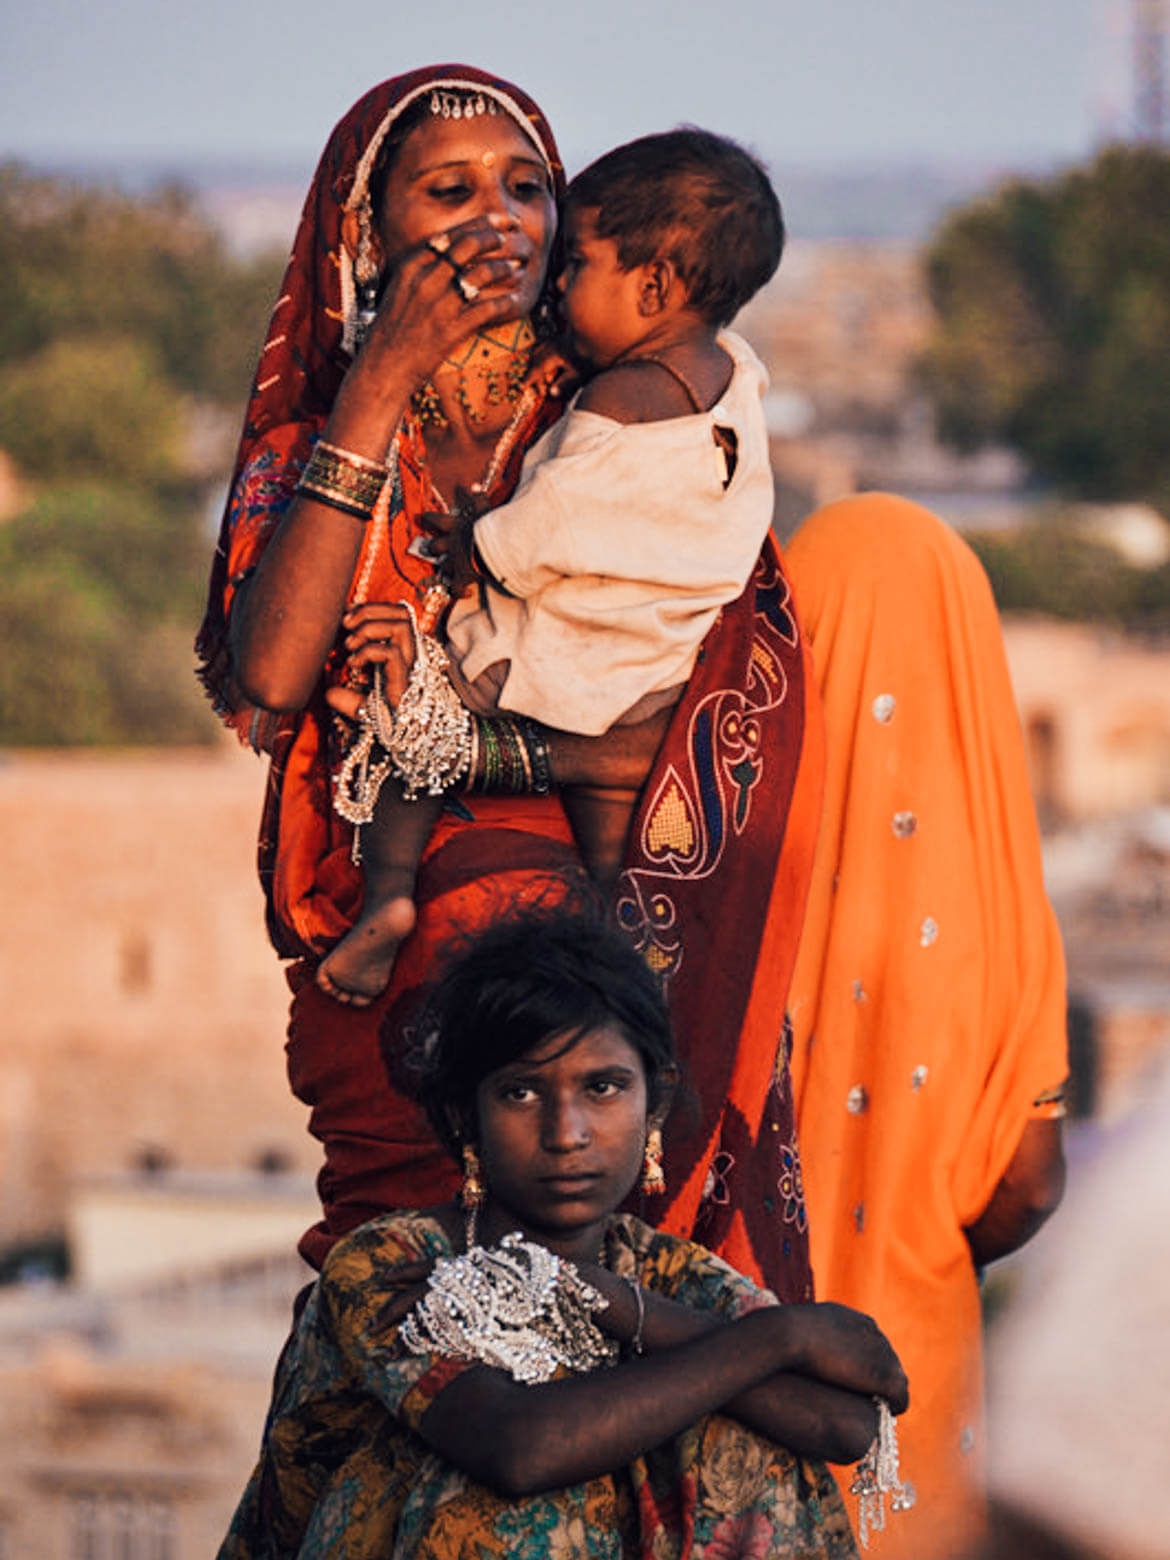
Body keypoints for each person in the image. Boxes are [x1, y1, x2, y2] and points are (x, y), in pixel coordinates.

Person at [196, 65, 825, 1301]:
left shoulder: (628, 418)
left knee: (623, 1330)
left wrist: (486, 752)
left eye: (529, 188)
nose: (499, 219)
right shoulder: (314, 437)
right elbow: (273, 676)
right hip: (392, 942)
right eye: (449, 190)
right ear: (367, 233)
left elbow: (711, 714)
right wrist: (375, 388)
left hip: (615, 943)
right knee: (411, 1312)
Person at [218, 911, 909, 1560]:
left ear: (655, 1101)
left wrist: (614, 1302)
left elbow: (848, 1422)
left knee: (744, 1434)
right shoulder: (392, 1264)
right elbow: (517, 1452)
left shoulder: (658, 1272)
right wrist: (771, 1340)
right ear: (465, 1116)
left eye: (603, 1089)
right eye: (521, 1093)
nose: (567, 1133)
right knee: (523, 1479)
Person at [317, 127, 782, 1007]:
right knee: (618, 869)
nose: (559, 285)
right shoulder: (737, 381)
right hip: (658, 674)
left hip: (551, 666)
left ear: (653, 286)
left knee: (417, 731)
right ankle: (628, 968)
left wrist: (474, 543)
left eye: (580, 264)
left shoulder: (616, 398)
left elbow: (553, 527)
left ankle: (385, 902)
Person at [783, 495, 1069, 1560]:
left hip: (732, 1357)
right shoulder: (1003, 901)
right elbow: (1030, 1182)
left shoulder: (726, 877)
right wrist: (921, 1243)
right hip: (916, 1366)